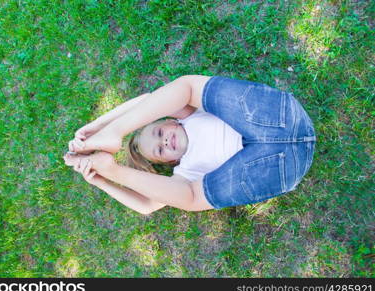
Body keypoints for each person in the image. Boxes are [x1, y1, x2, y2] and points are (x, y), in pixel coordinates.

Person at [63, 75, 316, 215]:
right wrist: (103, 177)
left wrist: (102, 126)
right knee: (189, 198)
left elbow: (149, 100)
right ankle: (111, 165)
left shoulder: (190, 115)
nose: (163, 140)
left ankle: (114, 134)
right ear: (171, 162)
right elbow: (147, 205)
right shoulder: (185, 173)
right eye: (160, 150)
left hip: (280, 116)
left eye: (159, 131)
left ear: (171, 121)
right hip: (280, 170)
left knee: (185, 87)